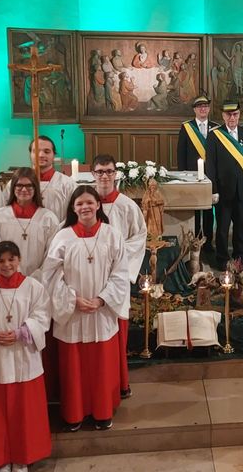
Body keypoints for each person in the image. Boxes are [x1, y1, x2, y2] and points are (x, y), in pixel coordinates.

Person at [43, 186, 131, 431]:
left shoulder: (112, 235)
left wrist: (102, 299)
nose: (85, 207)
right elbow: (50, 278)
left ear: (98, 205)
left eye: (89, 203)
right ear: (73, 208)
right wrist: (73, 300)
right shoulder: (62, 238)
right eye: (80, 203)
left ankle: (102, 412)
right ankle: (75, 414)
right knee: (74, 369)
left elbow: (121, 274)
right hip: (73, 314)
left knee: (101, 367)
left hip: (101, 312)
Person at [0, 241, 52, 472]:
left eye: (11, 259)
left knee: (23, 412)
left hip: (23, 356)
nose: (6, 265)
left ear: (19, 260)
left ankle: (22, 458)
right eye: (1, 260)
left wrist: (22, 332)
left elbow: (42, 315)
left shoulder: (33, 287)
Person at [92, 154, 147, 399]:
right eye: (100, 171)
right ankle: (96, 383)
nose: (105, 176)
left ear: (116, 174)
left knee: (117, 331)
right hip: (89, 278)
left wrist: (116, 263)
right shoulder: (84, 202)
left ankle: (119, 382)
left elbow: (139, 239)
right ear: (92, 174)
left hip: (117, 279)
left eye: (109, 171)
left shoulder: (127, 205)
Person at [207, 101, 243, 270]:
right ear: (223, 115)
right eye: (228, 114)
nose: (232, 118)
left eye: (235, 114)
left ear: (239, 115)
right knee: (222, 229)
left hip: (242, 191)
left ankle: (240, 259)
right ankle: (222, 260)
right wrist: (213, 190)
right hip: (223, 191)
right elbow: (211, 165)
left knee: (241, 227)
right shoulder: (215, 135)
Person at [0, 167, 59, 280]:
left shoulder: (48, 219)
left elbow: (51, 256)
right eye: (19, 185)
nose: (23, 189)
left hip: (38, 282)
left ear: (36, 188)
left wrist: (35, 278)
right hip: (5, 279)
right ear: (13, 188)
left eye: (29, 186)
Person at [176, 95, 218, 253]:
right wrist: (183, 176)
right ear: (194, 109)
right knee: (194, 210)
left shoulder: (215, 127)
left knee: (208, 211)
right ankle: (193, 244)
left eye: (206, 106)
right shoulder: (187, 127)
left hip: (211, 175)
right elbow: (181, 154)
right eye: (199, 106)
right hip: (192, 176)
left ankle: (207, 244)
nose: (203, 109)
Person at [19, 135, 77, 223]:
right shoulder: (17, 183)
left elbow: (75, 213)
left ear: (54, 155)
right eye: (36, 151)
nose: (41, 155)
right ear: (30, 154)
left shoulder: (68, 184)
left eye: (47, 151)